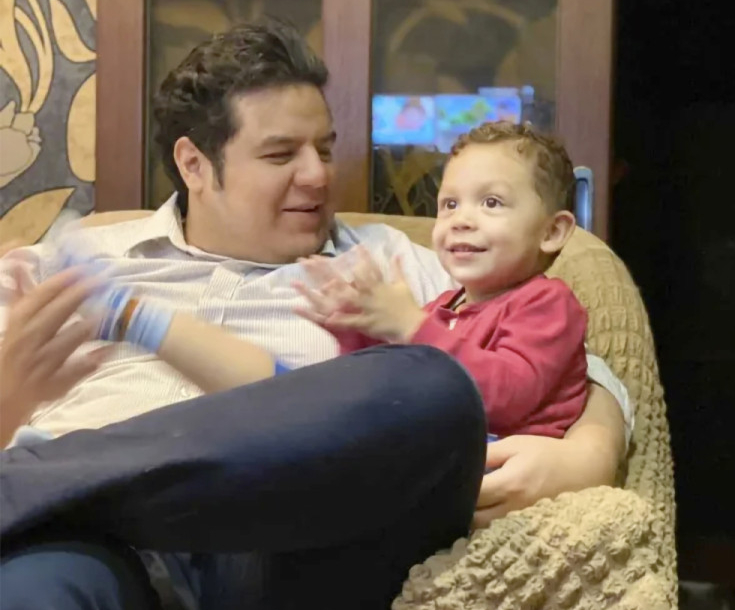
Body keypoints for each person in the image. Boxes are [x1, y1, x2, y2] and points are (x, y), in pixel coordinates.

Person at [0, 19, 630, 610]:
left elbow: (570, 370)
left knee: (432, 382)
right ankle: (50, 490)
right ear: (194, 164)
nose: (317, 176)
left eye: (324, 150)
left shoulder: (396, 266)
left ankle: (42, 483)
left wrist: (586, 456)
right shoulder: (74, 261)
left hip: (278, 548)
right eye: (281, 155)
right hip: (82, 543)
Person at [294, 120, 588, 440]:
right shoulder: (441, 308)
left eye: (491, 202)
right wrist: (357, 331)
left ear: (552, 232)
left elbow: (508, 398)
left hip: (504, 457)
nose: (461, 220)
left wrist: (412, 326)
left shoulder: (548, 304)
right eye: (450, 204)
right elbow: (391, 380)